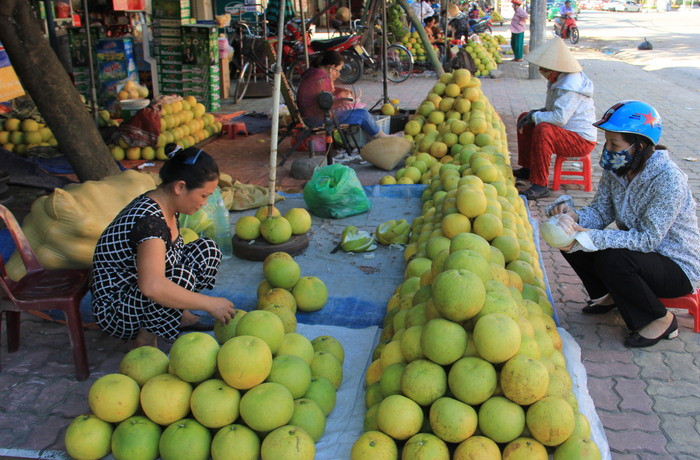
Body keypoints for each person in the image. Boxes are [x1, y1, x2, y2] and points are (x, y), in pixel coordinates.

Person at [546, 100, 700, 348]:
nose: (607, 149)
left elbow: (647, 239)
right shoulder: (618, 169)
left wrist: (590, 235)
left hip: (675, 265)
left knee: (611, 257)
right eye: (606, 142)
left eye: (614, 144)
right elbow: (601, 210)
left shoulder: (668, 180)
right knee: (568, 239)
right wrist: (574, 219)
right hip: (641, 255)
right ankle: (609, 295)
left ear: (639, 146)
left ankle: (660, 319)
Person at [92, 145, 236, 348]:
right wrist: (208, 303)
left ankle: (182, 317)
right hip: (117, 307)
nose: (205, 203)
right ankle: (145, 339)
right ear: (180, 187)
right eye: (203, 196)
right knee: (179, 278)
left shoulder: (167, 201)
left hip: (138, 287)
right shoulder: (150, 222)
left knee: (207, 250)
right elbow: (152, 286)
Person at [514, 38, 596, 200]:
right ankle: (528, 168)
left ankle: (540, 184)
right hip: (565, 132)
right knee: (526, 117)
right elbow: (553, 109)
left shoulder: (571, 86)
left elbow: (559, 118)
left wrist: (536, 116)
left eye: (544, 69)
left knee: (543, 129)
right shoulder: (559, 80)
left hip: (580, 140)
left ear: (554, 70)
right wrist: (535, 114)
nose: (541, 72)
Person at [295, 50, 395, 138]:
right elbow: (326, 106)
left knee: (359, 111)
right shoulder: (322, 78)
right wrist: (343, 101)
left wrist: (340, 91)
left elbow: (321, 96)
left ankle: (375, 136)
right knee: (362, 114)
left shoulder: (314, 72)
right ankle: (382, 136)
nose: (338, 74)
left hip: (310, 115)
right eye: (338, 70)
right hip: (315, 119)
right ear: (332, 67)